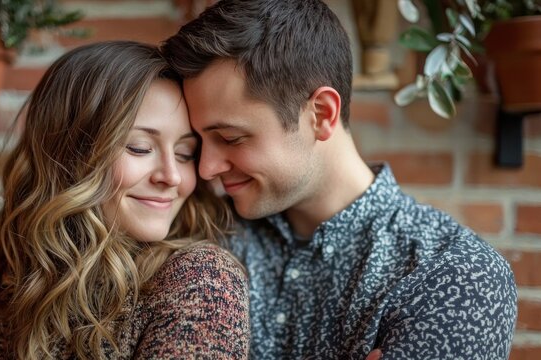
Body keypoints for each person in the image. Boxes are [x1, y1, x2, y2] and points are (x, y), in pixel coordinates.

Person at [161, 0, 518, 359]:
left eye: (230, 138)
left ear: (321, 113)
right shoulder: (198, 231)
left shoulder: (455, 275)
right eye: (197, 144)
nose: (206, 169)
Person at [0, 41, 249, 359]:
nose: (171, 176)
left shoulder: (200, 282)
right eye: (139, 147)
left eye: (185, 153)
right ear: (69, 155)